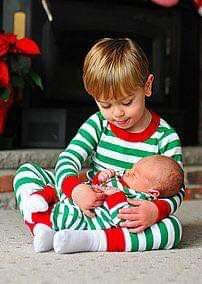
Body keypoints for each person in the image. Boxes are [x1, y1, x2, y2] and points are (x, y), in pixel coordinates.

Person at [13, 37, 185, 253]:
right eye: (105, 104)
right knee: (26, 172)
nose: (117, 113)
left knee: (173, 229)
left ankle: (91, 240)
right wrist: (75, 189)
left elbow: (177, 189)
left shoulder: (166, 136)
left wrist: (154, 210)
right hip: (89, 201)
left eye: (127, 102)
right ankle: (41, 227)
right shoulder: (98, 123)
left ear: (147, 86)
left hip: (127, 213)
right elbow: (69, 159)